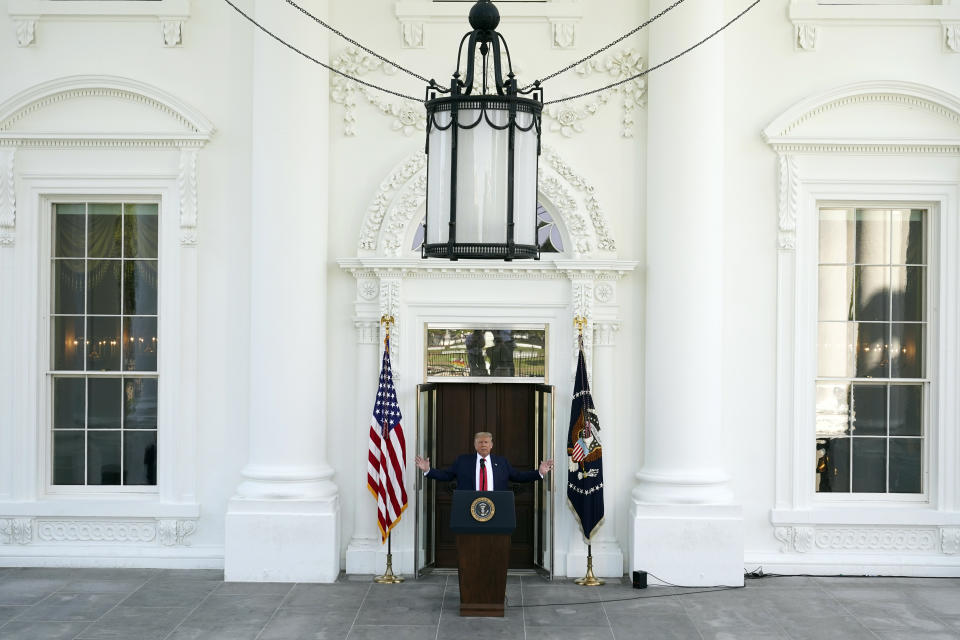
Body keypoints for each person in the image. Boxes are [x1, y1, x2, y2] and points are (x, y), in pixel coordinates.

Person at [415, 431, 554, 490]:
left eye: (486, 442)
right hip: (469, 507)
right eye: (480, 442)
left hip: (496, 507)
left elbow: (518, 476)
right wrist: (428, 470)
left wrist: (539, 473)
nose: (483, 445)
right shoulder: (463, 461)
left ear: (491, 445)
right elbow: (446, 476)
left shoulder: (502, 462)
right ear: (475, 445)